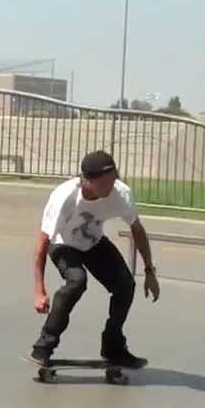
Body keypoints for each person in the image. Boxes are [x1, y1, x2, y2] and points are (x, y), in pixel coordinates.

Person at [31, 150, 159, 367]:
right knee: (77, 281)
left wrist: (149, 271)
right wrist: (39, 291)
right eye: (105, 183)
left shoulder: (121, 193)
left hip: (93, 243)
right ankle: (44, 345)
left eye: (113, 179)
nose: (111, 187)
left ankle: (113, 347)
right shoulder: (65, 197)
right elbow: (41, 245)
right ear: (87, 182)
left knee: (125, 285)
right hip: (62, 244)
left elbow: (137, 230)